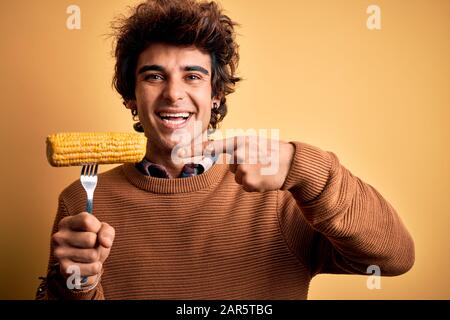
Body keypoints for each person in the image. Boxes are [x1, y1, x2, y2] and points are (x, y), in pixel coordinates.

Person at [36, 0, 414, 300]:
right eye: (153, 76)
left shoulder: (281, 196)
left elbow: (394, 257)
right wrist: (76, 287)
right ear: (131, 98)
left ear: (215, 96)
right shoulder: (81, 199)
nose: (173, 93)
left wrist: (305, 170)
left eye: (193, 76)